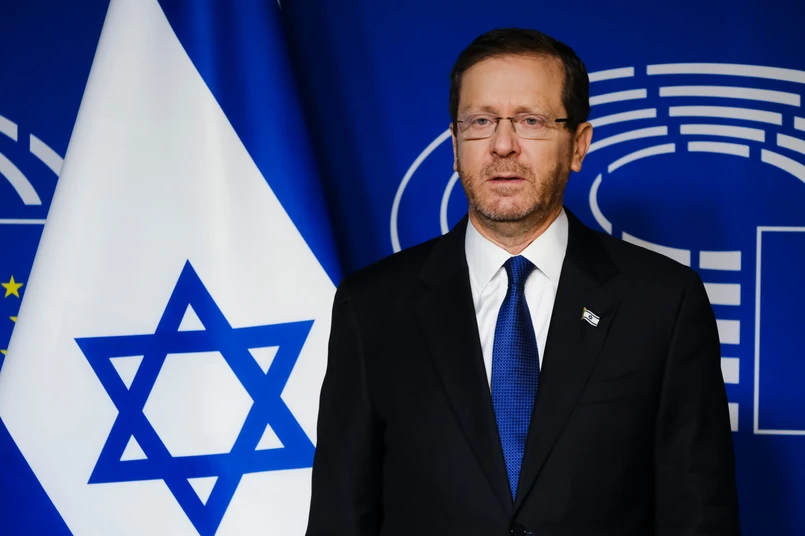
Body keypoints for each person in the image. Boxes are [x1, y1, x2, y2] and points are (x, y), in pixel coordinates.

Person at [306, 28, 740, 536]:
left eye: (530, 121)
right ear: (455, 145)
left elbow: (698, 517)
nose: (502, 145)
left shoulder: (664, 302)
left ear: (578, 145)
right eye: (481, 121)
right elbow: (341, 515)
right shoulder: (372, 306)